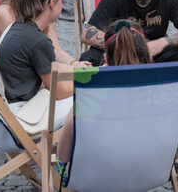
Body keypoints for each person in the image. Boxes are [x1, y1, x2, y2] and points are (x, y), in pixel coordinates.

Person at [0, 0, 74, 130]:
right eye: (61, 0)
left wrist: (75, 69)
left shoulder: (16, 28)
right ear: (52, 3)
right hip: (16, 121)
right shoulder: (38, 41)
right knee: (86, 99)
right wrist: (84, 83)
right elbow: (58, 92)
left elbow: (48, 70)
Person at [57, 19, 151, 163]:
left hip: (94, 177)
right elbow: (175, 153)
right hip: (149, 173)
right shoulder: (164, 90)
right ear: (148, 55)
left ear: (105, 57)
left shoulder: (90, 90)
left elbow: (63, 156)